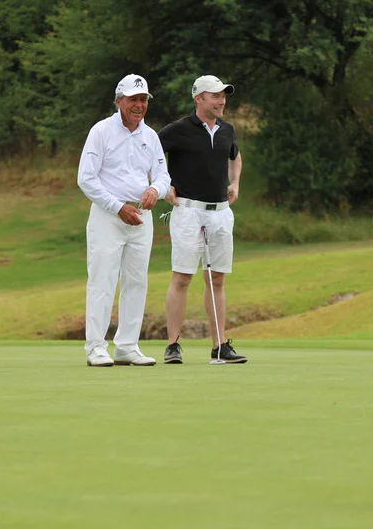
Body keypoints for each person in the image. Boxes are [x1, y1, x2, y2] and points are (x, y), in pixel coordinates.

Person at [78, 74, 171, 367]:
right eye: (133, 99)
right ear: (119, 101)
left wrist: (155, 190)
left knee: (136, 281)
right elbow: (86, 179)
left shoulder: (150, 136)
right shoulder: (101, 131)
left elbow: (163, 175)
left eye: (143, 100)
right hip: (108, 215)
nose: (139, 105)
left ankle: (127, 346)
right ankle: (95, 346)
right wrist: (118, 208)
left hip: (141, 217)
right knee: (102, 279)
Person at [158, 75, 248, 364]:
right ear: (199, 98)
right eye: (215, 96)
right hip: (187, 211)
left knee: (217, 278)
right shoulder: (178, 130)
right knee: (182, 277)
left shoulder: (227, 130)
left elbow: (235, 156)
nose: (221, 101)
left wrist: (235, 183)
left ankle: (220, 345)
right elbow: (148, 154)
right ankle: (173, 345)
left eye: (223, 95)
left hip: (221, 212)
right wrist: (162, 185)